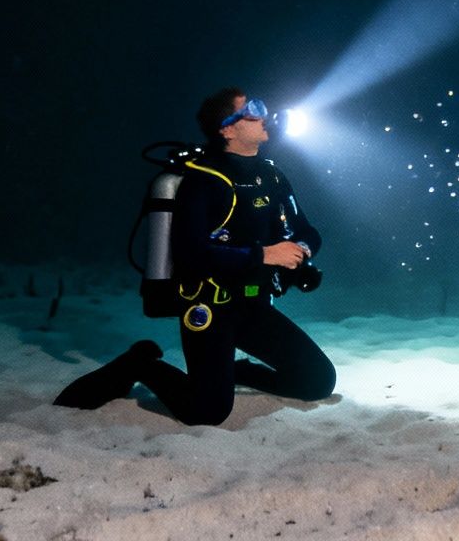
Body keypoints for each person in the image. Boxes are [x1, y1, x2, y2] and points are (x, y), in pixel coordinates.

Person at [53, 88, 336, 424]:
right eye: (252, 110)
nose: (263, 115)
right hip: (210, 307)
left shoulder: (272, 175)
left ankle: (233, 372)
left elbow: (308, 230)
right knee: (208, 412)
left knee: (318, 380)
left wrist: (301, 252)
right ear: (227, 129)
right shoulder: (203, 180)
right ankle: (142, 363)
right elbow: (192, 253)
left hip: (253, 306)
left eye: (261, 106)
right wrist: (264, 255)